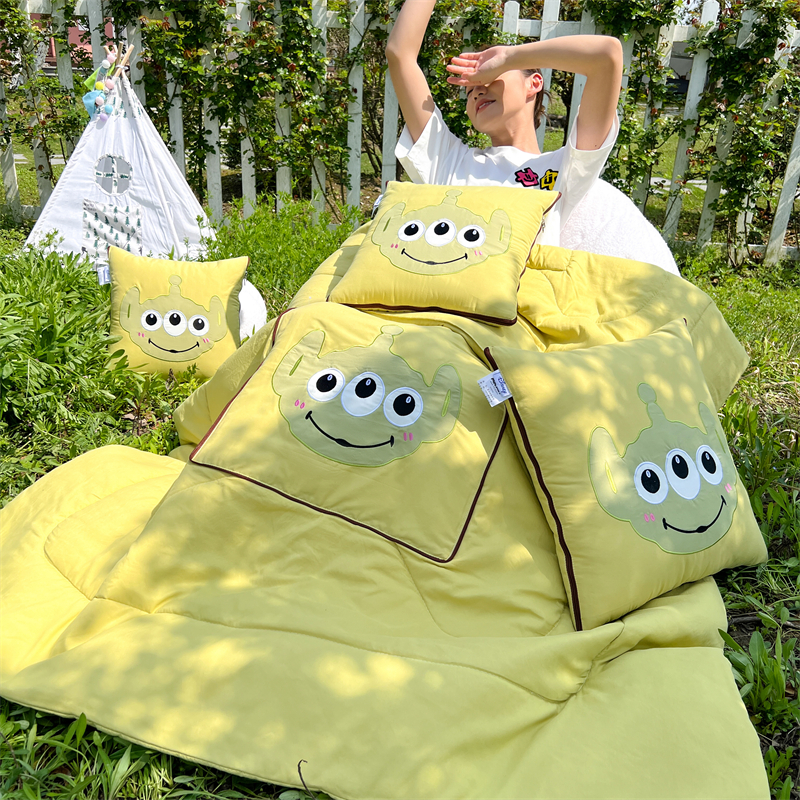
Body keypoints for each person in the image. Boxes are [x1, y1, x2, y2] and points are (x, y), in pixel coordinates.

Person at [385, 0, 680, 275]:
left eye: (490, 77)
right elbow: (400, 54)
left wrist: (509, 57)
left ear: (534, 83)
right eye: (470, 88)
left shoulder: (566, 168)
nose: (476, 90)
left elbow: (607, 56)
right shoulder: (448, 160)